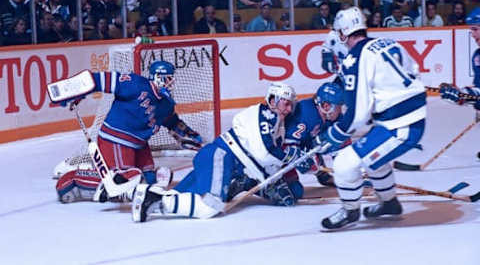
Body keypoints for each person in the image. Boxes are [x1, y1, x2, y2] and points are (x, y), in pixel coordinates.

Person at [131, 82, 315, 221]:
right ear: (273, 99)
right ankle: (154, 201)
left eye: (291, 105)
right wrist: (292, 157)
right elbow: (263, 153)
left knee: (181, 196)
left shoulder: (277, 125)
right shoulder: (266, 115)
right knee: (210, 207)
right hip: (221, 156)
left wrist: (281, 174)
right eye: (285, 103)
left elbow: (266, 160)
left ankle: (145, 195)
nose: (289, 109)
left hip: (218, 158)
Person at [315, 6, 426, 230]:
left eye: (338, 33)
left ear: (344, 33)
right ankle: (389, 203)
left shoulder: (354, 58)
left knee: (346, 163)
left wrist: (334, 134)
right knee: (374, 158)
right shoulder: (388, 42)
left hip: (400, 126)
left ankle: (350, 210)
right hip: (407, 118)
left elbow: (357, 114)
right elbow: (414, 71)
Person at [56, 57, 203, 204]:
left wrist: (194, 138)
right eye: (168, 78)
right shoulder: (135, 84)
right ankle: (75, 177)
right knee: (124, 180)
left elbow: (173, 123)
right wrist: (74, 91)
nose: (172, 83)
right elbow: (100, 79)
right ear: (158, 78)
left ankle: (121, 177)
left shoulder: (166, 104)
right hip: (115, 139)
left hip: (139, 144)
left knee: (149, 178)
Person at [440, 8, 480, 111]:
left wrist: (465, 95)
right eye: (471, 30)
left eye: (475, 29)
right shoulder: (477, 56)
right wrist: (463, 95)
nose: (472, 35)